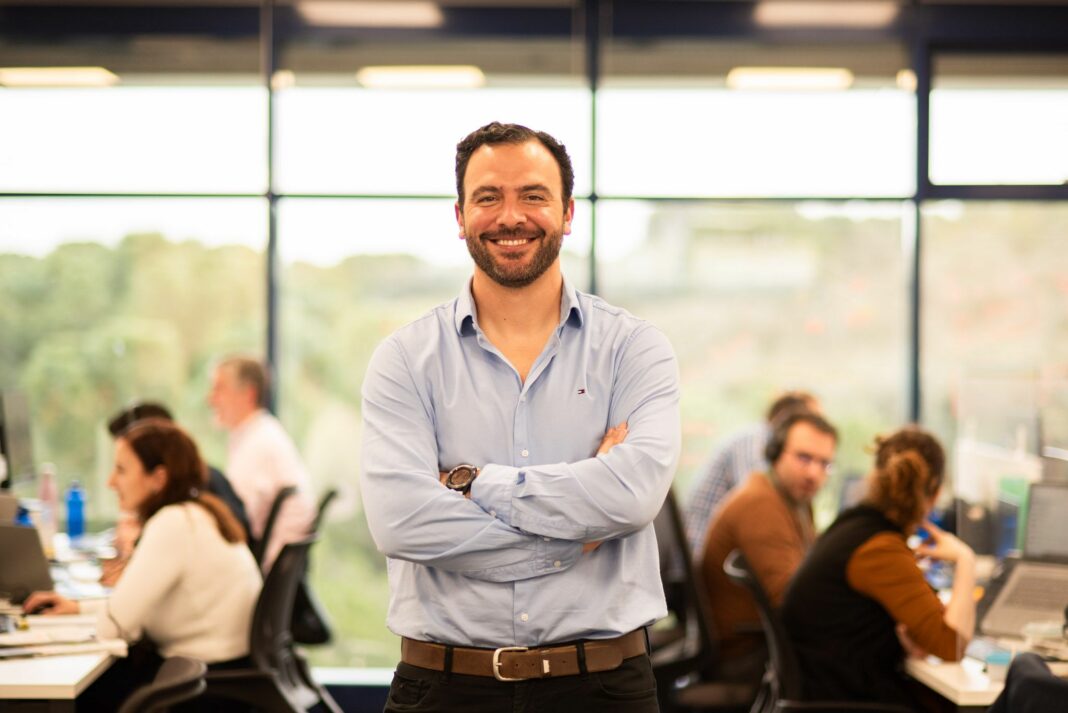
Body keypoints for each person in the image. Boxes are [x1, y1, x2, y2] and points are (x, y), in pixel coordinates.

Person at [360, 121, 681, 713]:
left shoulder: (635, 350)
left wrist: (477, 484)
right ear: (460, 216)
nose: (511, 217)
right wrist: (578, 538)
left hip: (603, 688)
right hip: (443, 690)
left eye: (533, 195)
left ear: (567, 213)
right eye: (488, 197)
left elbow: (631, 497)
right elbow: (401, 522)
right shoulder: (404, 360)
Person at [23, 419, 261, 712]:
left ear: (158, 478)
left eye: (122, 470)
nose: (111, 482)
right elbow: (134, 607)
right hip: (217, 676)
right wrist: (79, 608)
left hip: (202, 690)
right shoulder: (199, 512)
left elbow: (114, 626)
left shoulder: (173, 523)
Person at [781, 426, 976, 710]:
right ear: (934, 494)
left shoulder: (855, 526)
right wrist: (965, 561)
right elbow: (951, 645)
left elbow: (926, 630)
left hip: (824, 688)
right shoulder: (880, 549)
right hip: (844, 697)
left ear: (875, 476)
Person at [698, 410, 837, 677]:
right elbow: (791, 600)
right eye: (804, 458)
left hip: (764, 645)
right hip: (745, 654)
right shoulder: (761, 504)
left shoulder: (794, 501)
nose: (813, 473)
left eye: (824, 464)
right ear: (775, 453)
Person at [104, 401, 252, 565]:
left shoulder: (181, 515)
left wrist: (137, 545)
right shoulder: (190, 496)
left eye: (122, 468)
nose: (111, 482)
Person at [208, 356, 315, 571]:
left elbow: (234, 520)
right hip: (277, 568)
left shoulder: (258, 445)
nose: (211, 399)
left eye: (219, 389)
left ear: (248, 394)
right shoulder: (263, 433)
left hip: (261, 567)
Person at [684, 390, 819, 557]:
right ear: (788, 420)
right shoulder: (754, 441)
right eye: (813, 423)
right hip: (698, 551)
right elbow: (758, 506)